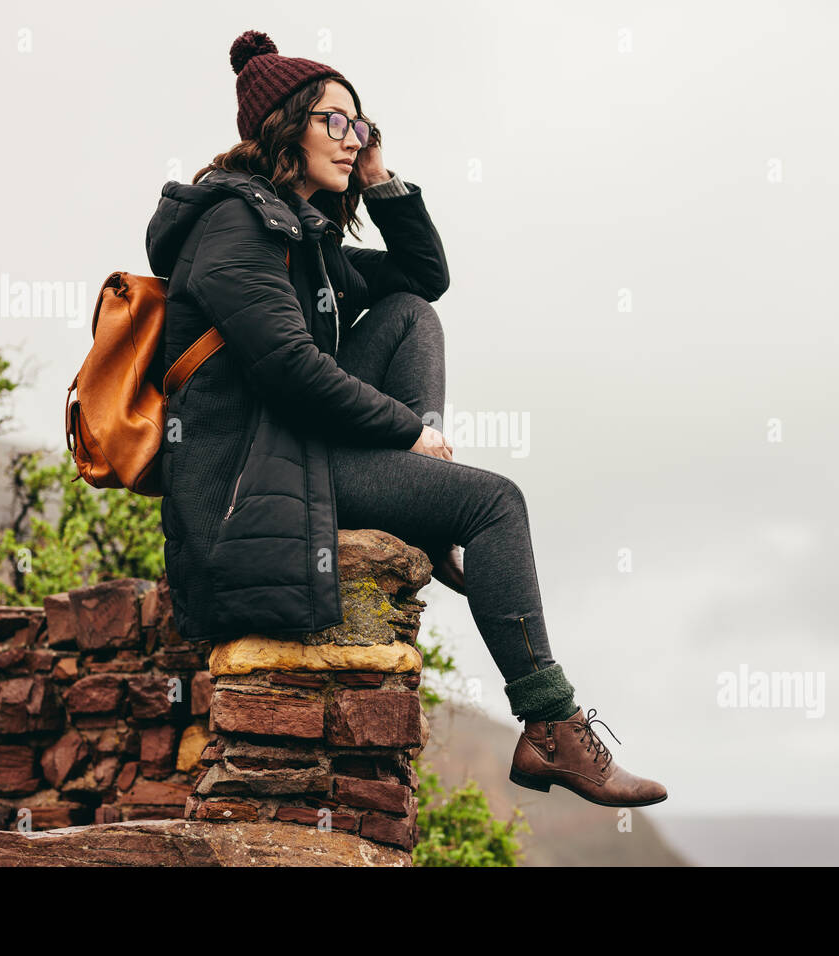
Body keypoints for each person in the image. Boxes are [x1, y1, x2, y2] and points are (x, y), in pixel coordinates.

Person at [145, 29, 666, 808]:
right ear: (285, 126)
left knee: (409, 313)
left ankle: (429, 513)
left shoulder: (300, 233)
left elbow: (424, 277)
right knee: (494, 502)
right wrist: (407, 431)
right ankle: (551, 724)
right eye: (336, 122)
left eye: (363, 126)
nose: (353, 140)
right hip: (251, 479)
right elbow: (288, 370)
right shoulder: (234, 225)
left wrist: (381, 178)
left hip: (296, 452)